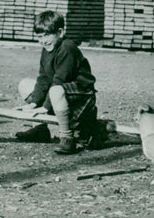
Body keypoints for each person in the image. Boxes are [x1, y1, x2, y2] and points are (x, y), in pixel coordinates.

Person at [15, 10, 99, 154]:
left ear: (60, 32)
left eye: (47, 35)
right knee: (25, 84)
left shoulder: (67, 48)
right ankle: (40, 130)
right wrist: (34, 103)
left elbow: (60, 79)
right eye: (39, 37)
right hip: (61, 94)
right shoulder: (47, 49)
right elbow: (44, 78)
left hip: (81, 96)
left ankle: (67, 138)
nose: (43, 41)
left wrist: (45, 107)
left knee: (55, 90)